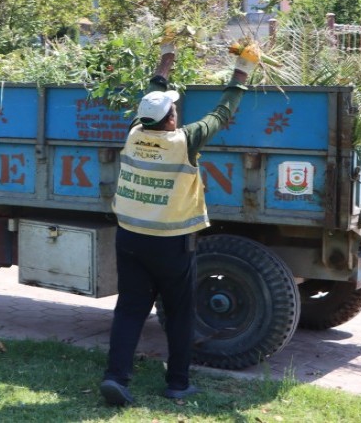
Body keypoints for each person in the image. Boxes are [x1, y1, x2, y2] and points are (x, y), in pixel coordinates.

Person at [99, 38, 259, 406]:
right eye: (174, 108)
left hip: (130, 238)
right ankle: (177, 383)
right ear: (171, 118)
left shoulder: (134, 134)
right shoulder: (183, 141)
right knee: (180, 312)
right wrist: (244, 71)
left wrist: (166, 58)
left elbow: (152, 94)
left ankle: (117, 378)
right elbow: (222, 113)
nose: (177, 111)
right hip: (171, 244)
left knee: (129, 310)